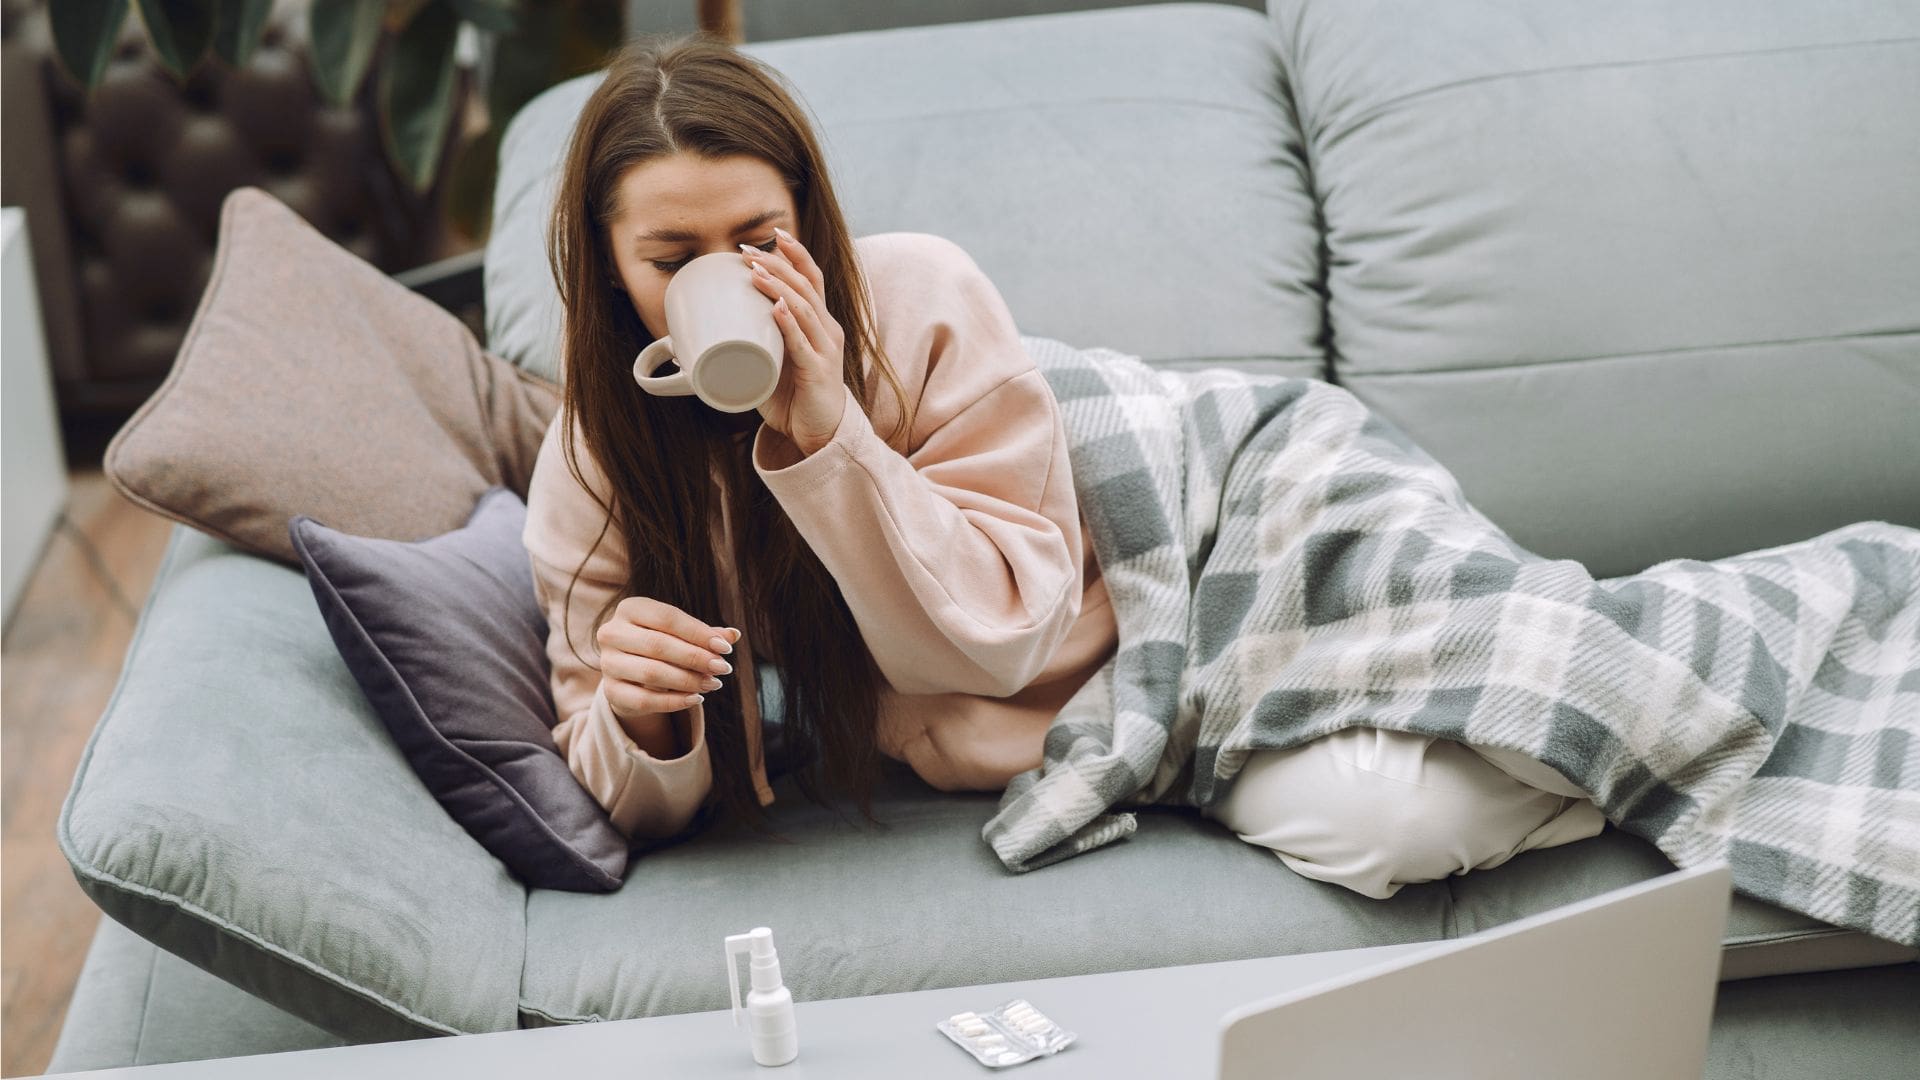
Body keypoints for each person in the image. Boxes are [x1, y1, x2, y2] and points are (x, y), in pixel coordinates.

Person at [522, 34, 1605, 897]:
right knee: (1401, 825)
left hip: (1230, 503)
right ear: (614, 272)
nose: (731, 284)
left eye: (761, 239)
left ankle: (1601, 715)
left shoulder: (915, 296)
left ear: (807, 218)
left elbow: (1001, 637)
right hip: (1116, 696)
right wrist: (642, 712)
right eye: (672, 261)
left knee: (1551, 687)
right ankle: (1595, 756)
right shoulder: (594, 460)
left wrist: (827, 428)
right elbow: (616, 790)